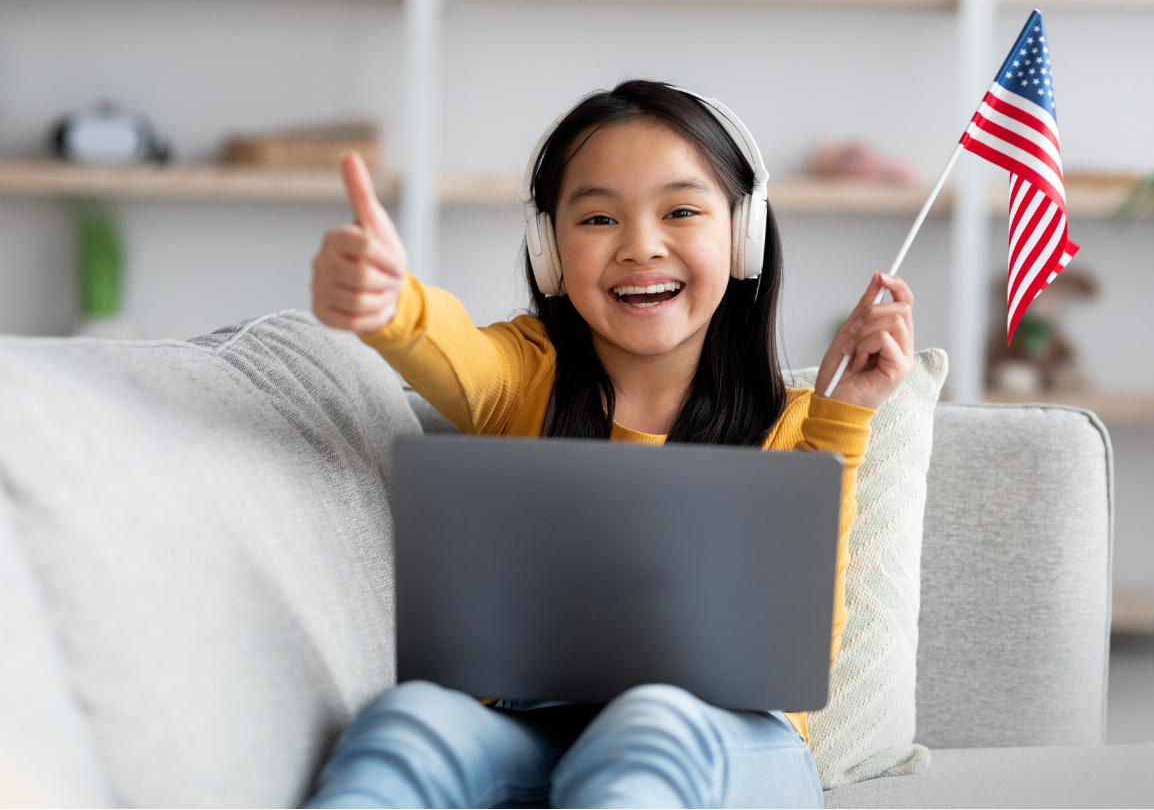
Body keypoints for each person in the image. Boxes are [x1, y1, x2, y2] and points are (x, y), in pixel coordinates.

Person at [307, 80, 915, 809]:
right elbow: (448, 346)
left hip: (723, 741)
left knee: (647, 721)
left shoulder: (797, 424)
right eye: (598, 217)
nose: (641, 246)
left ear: (744, 234)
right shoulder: (523, 374)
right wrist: (389, 303)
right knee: (410, 722)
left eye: (682, 211)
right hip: (539, 732)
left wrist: (842, 418)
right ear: (549, 250)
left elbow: (799, 656)